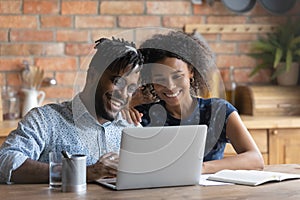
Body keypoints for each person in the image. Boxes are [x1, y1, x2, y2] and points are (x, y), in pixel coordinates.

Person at [0, 37, 144, 184]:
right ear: (92, 76)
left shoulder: (132, 127)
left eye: (131, 88)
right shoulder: (45, 119)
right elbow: (5, 161)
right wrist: (81, 172)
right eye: (117, 82)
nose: (124, 94)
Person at [126, 31, 264, 174]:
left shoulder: (218, 110)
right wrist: (124, 113)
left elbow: (255, 159)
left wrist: (201, 168)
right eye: (160, 79)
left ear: (191, 71)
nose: (170, 86)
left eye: (177, 76)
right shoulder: (141, 115)